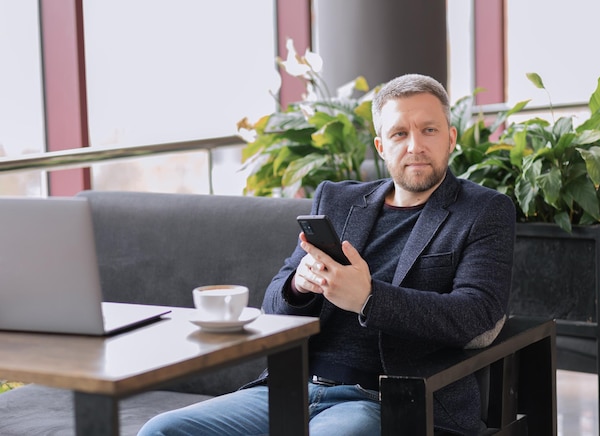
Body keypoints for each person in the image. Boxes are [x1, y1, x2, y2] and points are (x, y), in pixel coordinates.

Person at [138, 73, 516, 436]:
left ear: (450, 138)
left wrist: (369, 299)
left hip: (383, 398)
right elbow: (274, 307)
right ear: (382, 146)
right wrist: (300, 286)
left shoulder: (483, 211)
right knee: (161, 430)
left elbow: (475, 314)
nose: (414, 145)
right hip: (292, 388)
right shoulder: (337, 200)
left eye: (428, 130)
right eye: (400, 133)